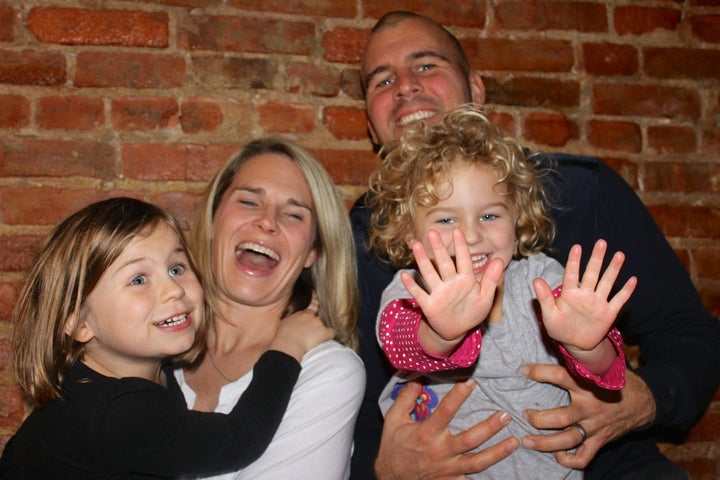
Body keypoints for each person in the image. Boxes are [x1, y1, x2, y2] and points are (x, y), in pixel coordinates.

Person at [350, 10, 720, 480]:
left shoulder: (579, 197)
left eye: (426, 65)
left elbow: (684, 332)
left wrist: (620, 385)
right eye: (382, 80)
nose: (404, 86)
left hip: (594, 463)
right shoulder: (364, 242)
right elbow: (385, 362)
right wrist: (384, 468)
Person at [369, 105, 635, 478]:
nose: (473, 235)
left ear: (517, 217)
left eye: (490, 215)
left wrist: (588, 345)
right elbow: (401, 345)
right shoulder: (413, 288)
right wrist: (441, 332)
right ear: (411, 235)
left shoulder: (542, 277)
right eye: (446, 219)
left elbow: (605, 371)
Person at [0, 197, 334, 479]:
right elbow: (240, 439)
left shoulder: (114, 377)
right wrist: (286, 347)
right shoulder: (120, 413)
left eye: (176, 268)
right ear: (79, 322)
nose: (172, 289)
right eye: (139, 279)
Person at [175, 137, 366, 479]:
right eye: (249, 202)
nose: (268, 221)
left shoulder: (326, 371)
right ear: (213, 220)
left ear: (312, 252)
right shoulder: (147, 348)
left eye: (294, 214)